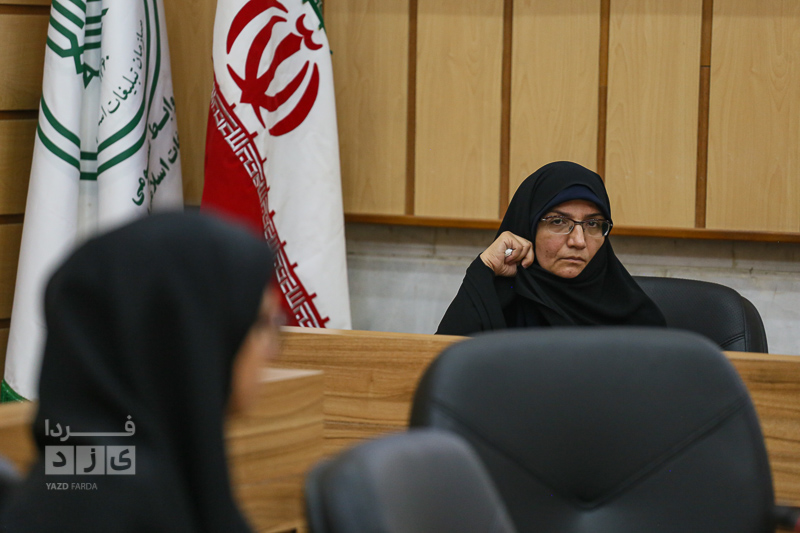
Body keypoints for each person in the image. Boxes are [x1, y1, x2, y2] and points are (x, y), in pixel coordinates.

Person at [0, 212, 281, 532]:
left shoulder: (131, 476)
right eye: (261, 323)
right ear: (187, 336)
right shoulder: (114, 511)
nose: (271, 349)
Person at [437, 161, 666, 335]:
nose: (578, 241)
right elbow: (443, 367)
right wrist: (484, 266)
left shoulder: (634, 316)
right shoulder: (497, 301)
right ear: (528, 227)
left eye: (593, 224)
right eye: (558, 222)